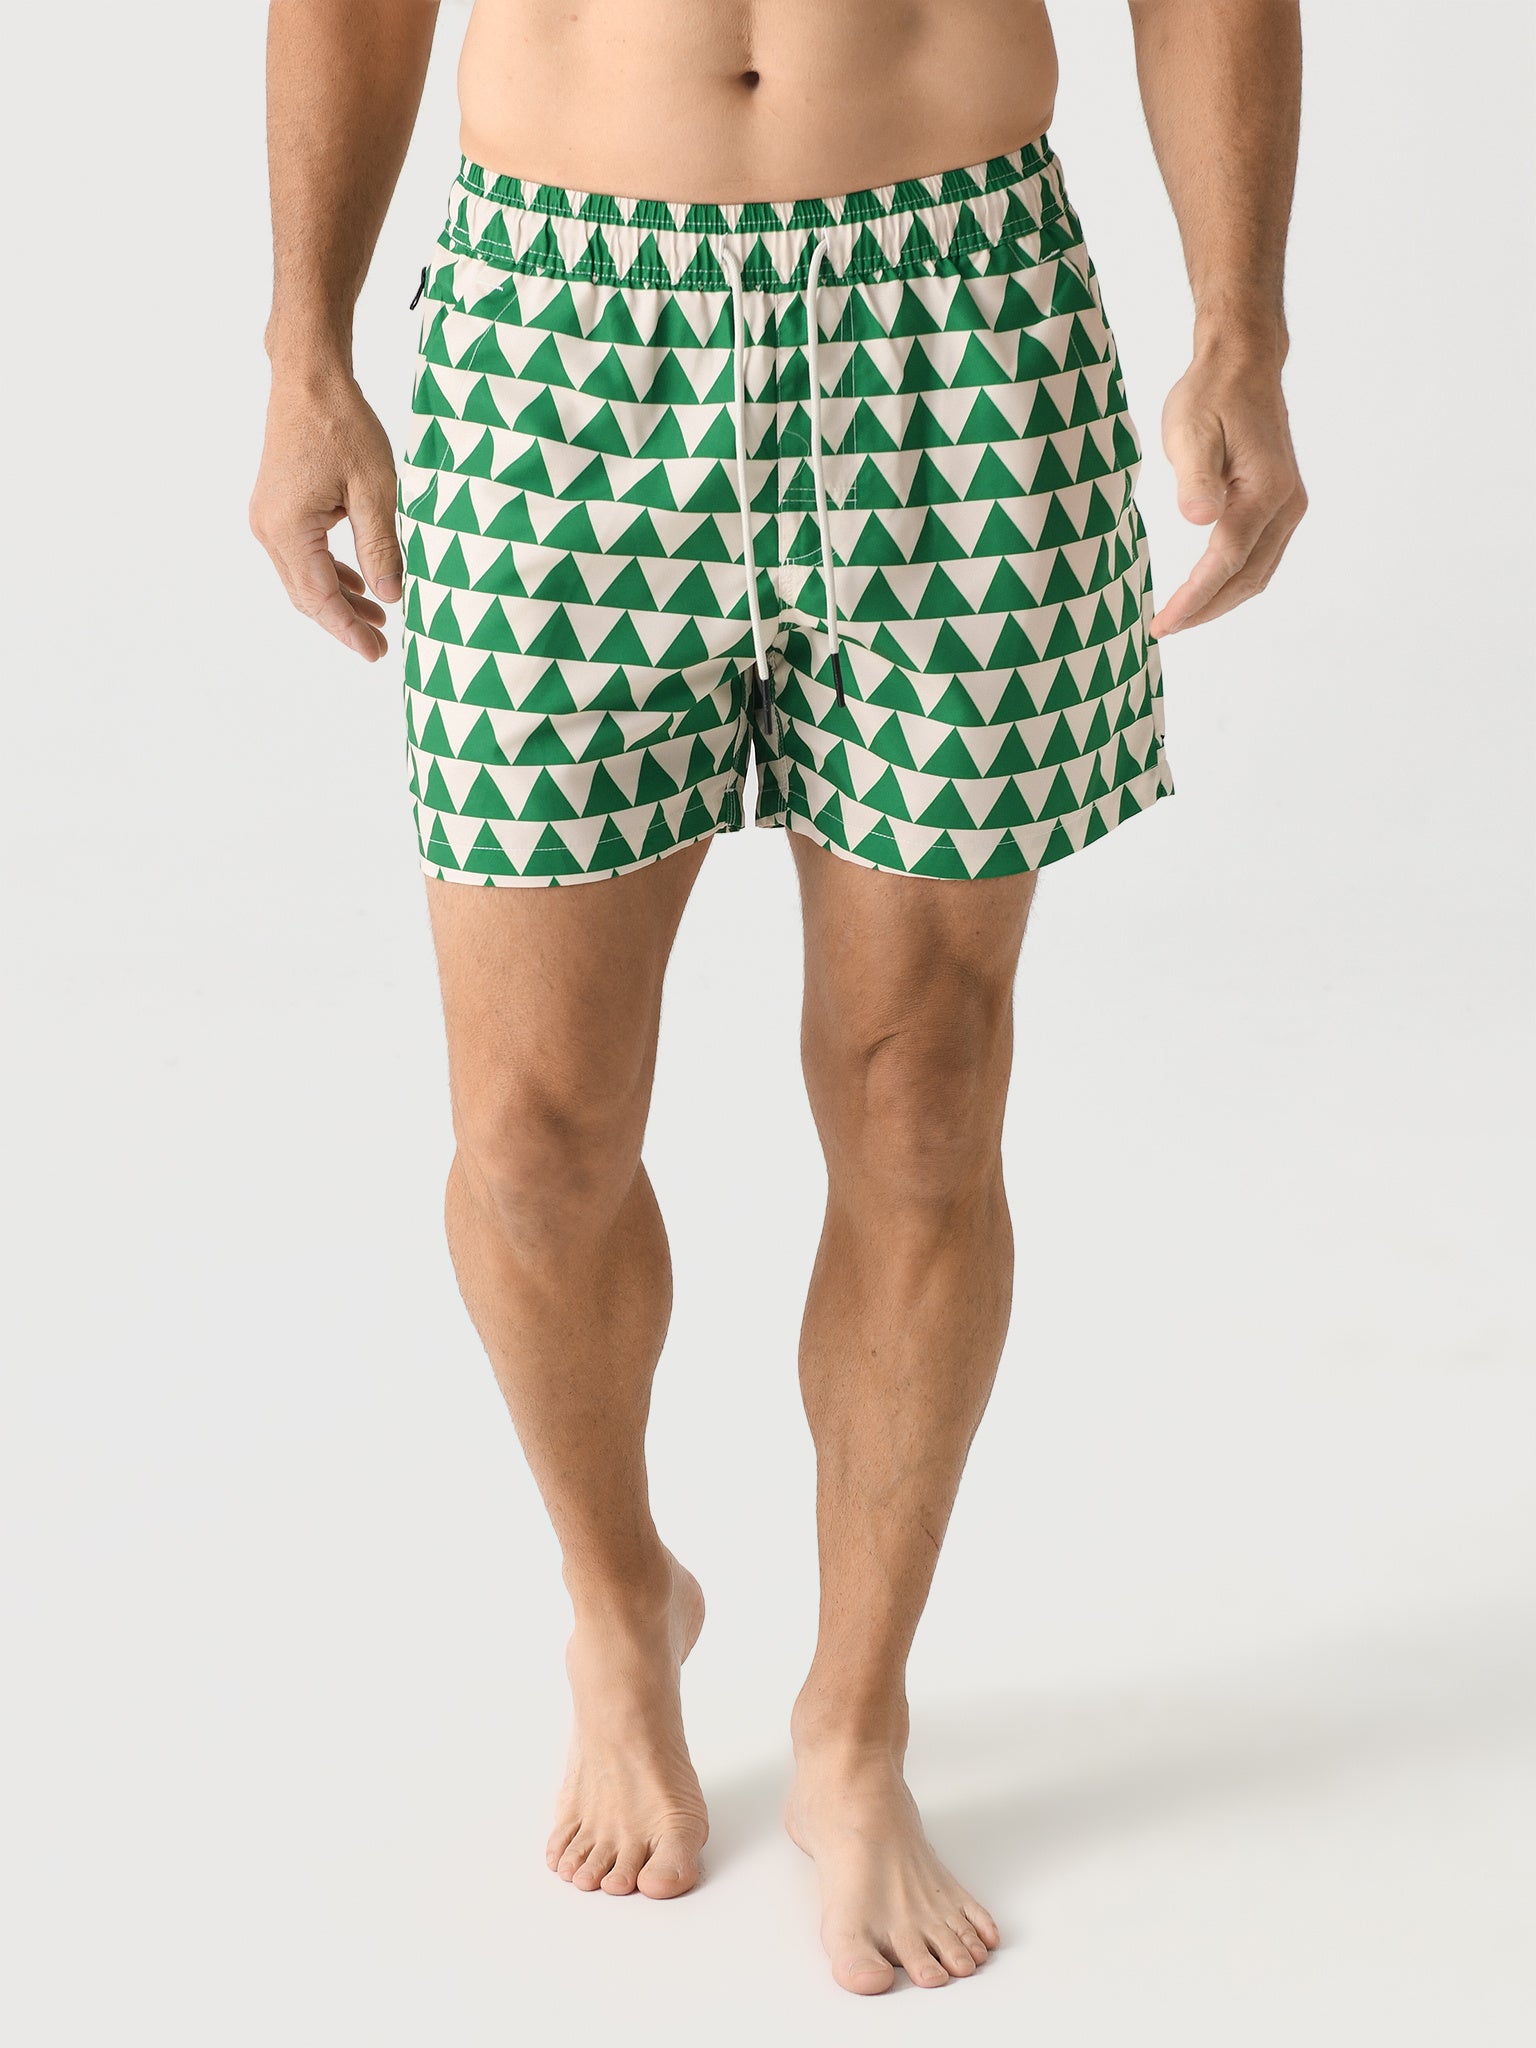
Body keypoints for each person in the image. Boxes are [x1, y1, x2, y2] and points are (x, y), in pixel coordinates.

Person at [251, 0, 1305, 1996]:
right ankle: (619, 1604)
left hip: (954, 314)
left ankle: (856, 1721)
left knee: (926, 1096)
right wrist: (307, 345)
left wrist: (1240, 317)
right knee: (532, 1134)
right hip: (563, 327)